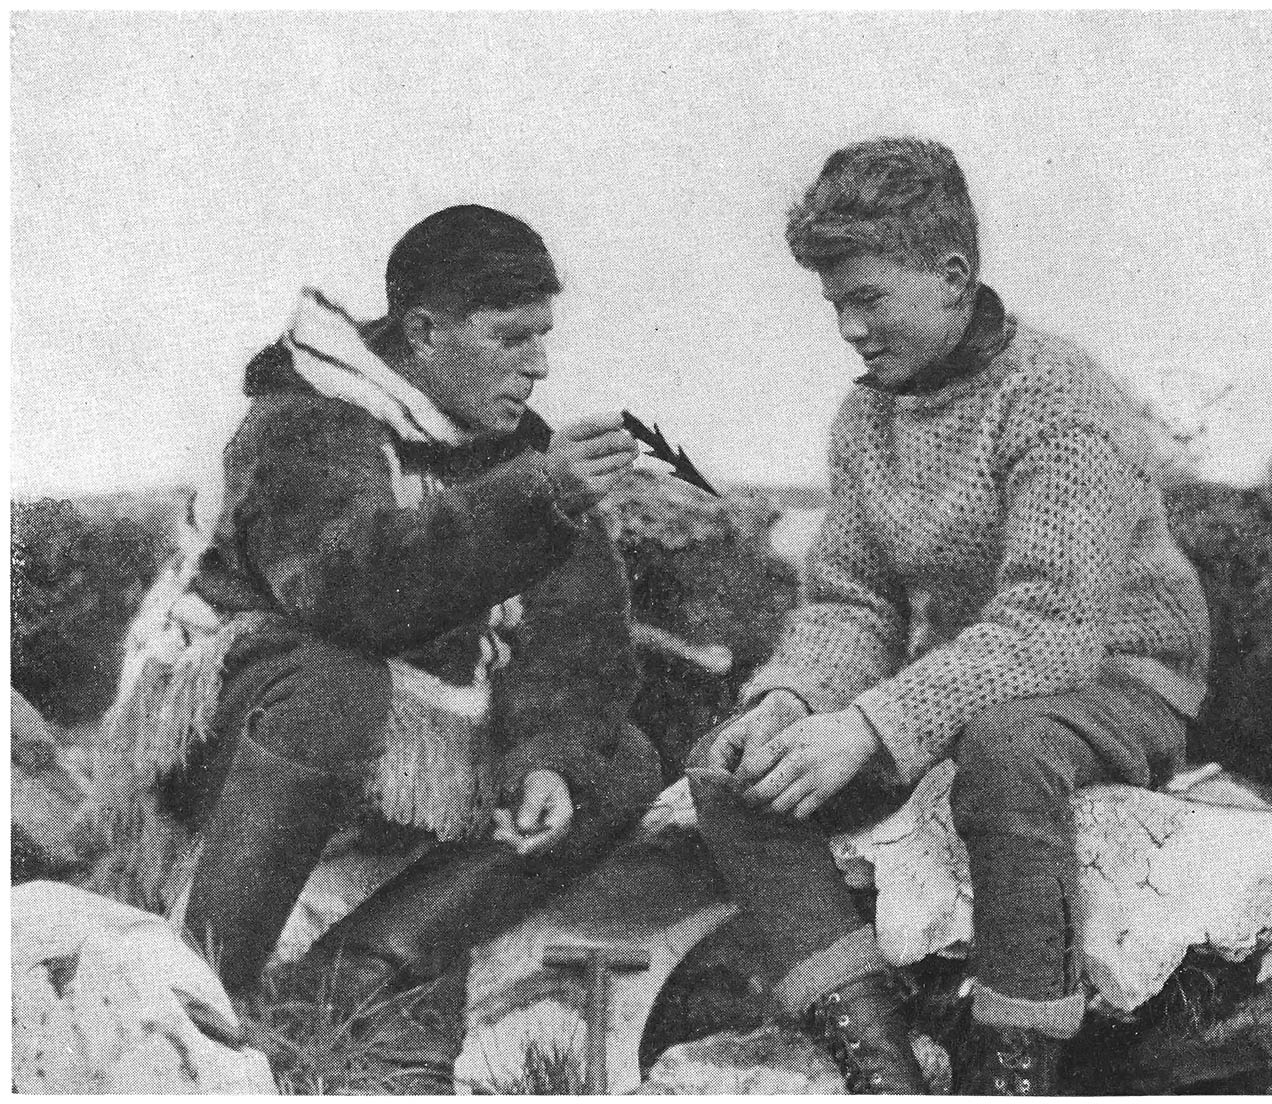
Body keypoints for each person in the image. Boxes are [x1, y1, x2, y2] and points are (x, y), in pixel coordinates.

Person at [688, 139, 1211, 1095]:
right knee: (727, 770)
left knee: (1006, 750)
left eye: (868, 299)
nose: (849, 328)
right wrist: (797, 699)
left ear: (953, 276)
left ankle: (1013, 1066)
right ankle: (881, 1065)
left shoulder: (1059, 398)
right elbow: (854, 602)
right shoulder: (865, 419)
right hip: (962, 683)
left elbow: (1051, 626)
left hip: (1116, 680)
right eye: (835, 305)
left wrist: (873, 726)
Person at [131, 204, 660, 1088]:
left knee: (621, 759)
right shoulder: (303, 418)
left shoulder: (519, 447)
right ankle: (207, 1001)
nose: (538, 364)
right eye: (509, 337)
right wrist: (536, 496)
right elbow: (348, 594)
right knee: (334, 682)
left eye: (543, 337)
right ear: (422, 331)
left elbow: (580, 643)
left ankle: (353, 975)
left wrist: (548, 759)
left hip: (389, 748)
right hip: (236, 735)